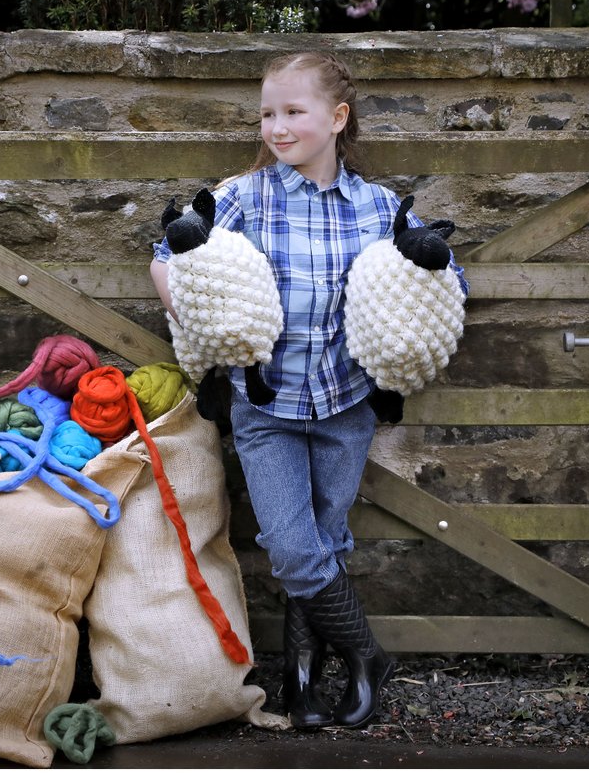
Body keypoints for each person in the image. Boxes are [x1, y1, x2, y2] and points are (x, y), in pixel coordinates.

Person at [149, 51, 466, 731]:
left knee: (326, 539)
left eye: (293, 112)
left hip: (346, 406)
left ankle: (302, 683)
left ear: (337, 117)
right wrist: (194, 312)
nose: (277, 127)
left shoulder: (380, 208)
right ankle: (366, 655)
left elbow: (442, 280)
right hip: (266, 406)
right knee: (291, 546)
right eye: (268, 113)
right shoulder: (244, 197)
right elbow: (170, 252)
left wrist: (428, 274)